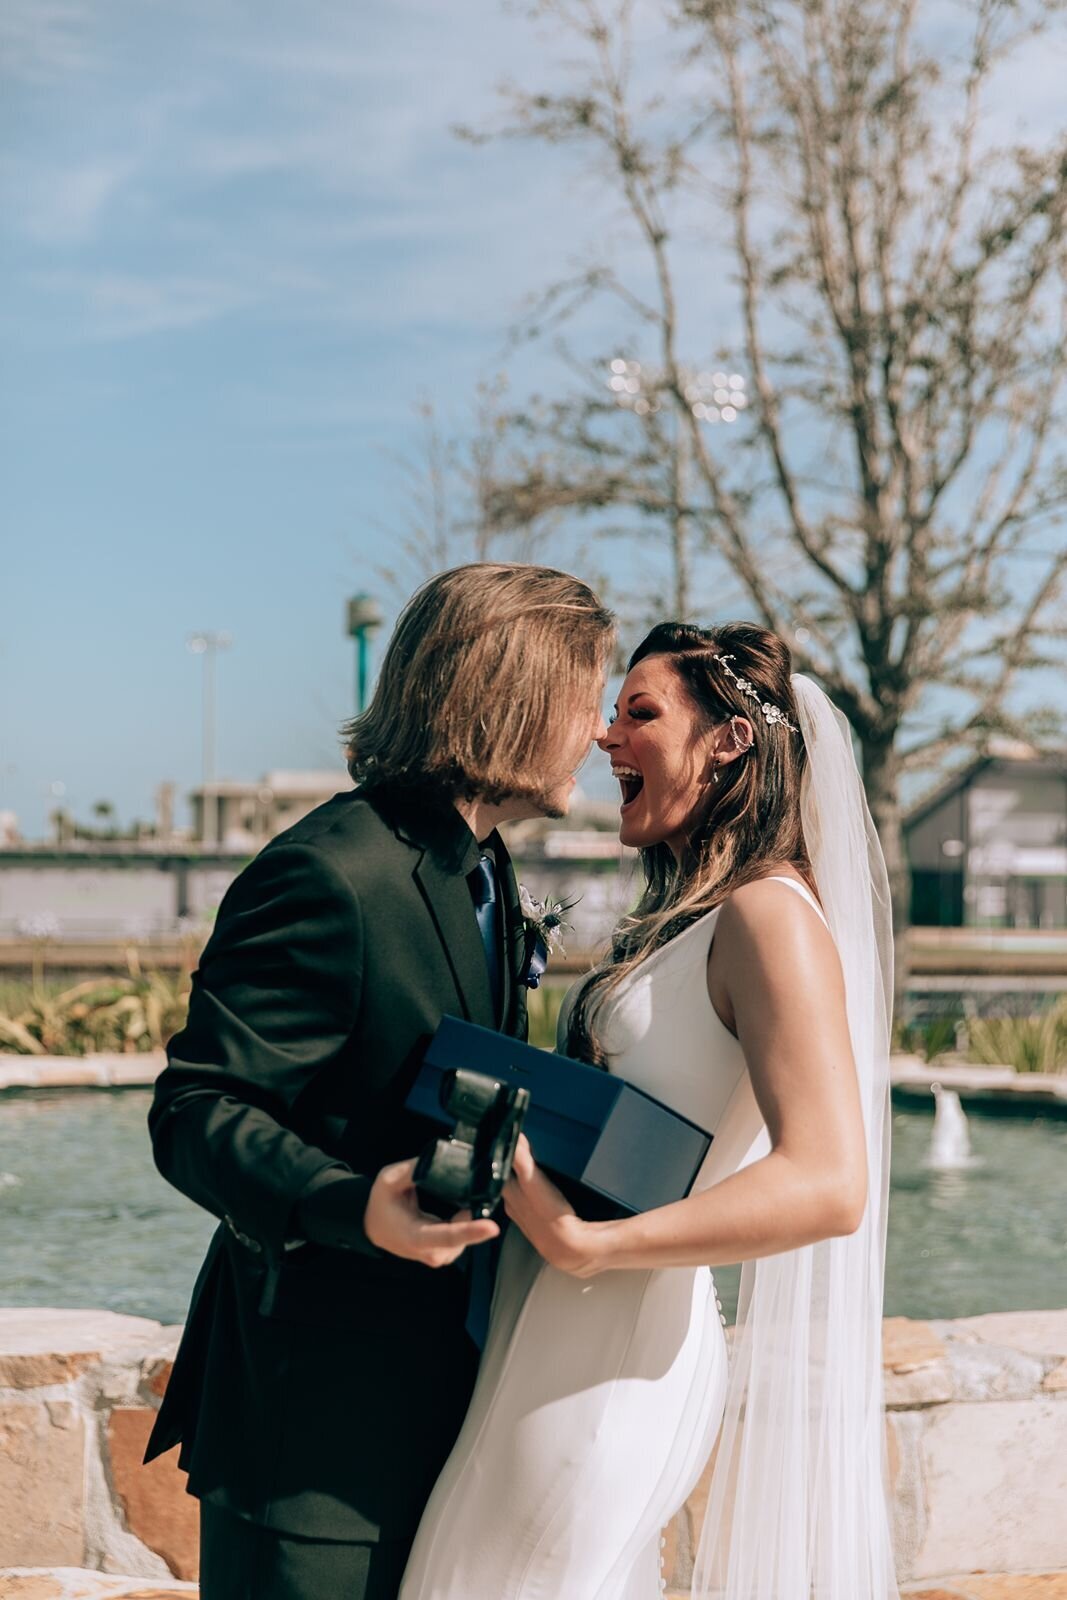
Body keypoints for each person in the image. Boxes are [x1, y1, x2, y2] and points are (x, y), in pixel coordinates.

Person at [143, 563, 615, 1600]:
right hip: (316, 1440)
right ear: (517, 691)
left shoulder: (480, 864)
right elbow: (194, 1111)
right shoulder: (327, 873)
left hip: (442, 1412)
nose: (595, 726)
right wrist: (354, 1205)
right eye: (586, 693)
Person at [400, 620, 899, 1600]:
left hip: (616, 1352)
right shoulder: (697, 916)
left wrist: (592, 1248)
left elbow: (830, 1182)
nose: (603, 736)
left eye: (640, 713)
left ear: (727, 742)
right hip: (554, 1329)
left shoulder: (769, 918)